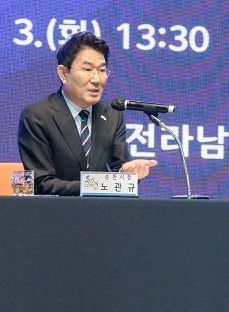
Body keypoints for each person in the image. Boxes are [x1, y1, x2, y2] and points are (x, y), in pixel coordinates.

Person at [17, 31, 157, 195]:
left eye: (102, 70)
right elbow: (42, 183)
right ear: (63, 73)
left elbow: (119, 168)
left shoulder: (112, 115)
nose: (97, 79)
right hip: (57, 209)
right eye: (87, 69)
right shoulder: (38, 116)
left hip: (104, 209)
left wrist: (126, 174)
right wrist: (98, 186)